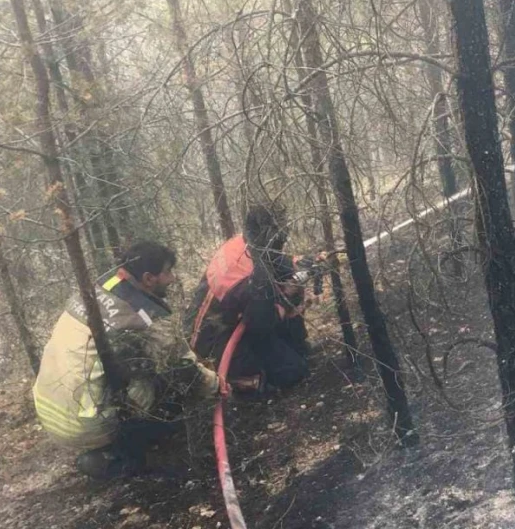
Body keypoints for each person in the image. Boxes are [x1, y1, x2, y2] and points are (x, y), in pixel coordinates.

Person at [33, 241, 219, 480]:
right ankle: (121, 458)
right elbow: (183, 367)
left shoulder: (97, 286)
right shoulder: (145, 315)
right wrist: (216, 385)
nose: (172, 279)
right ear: (149, 278)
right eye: (168, 272)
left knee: (131, 366)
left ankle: (110, 445)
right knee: (169, 382)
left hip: (49, 410)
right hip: (86, 424)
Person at [185, 203, 309, 393]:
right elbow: (262, 323)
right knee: (289, 374)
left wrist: (304, 264)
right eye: (280, 234)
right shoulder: (245, 278)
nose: (285, 238)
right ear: (267, 235)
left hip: (238, 319)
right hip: (215, 340)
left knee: (297, 358)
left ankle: (294, 349)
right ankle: (245, 382)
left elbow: (277, 261)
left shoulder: (247, 243)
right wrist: (286, 297)